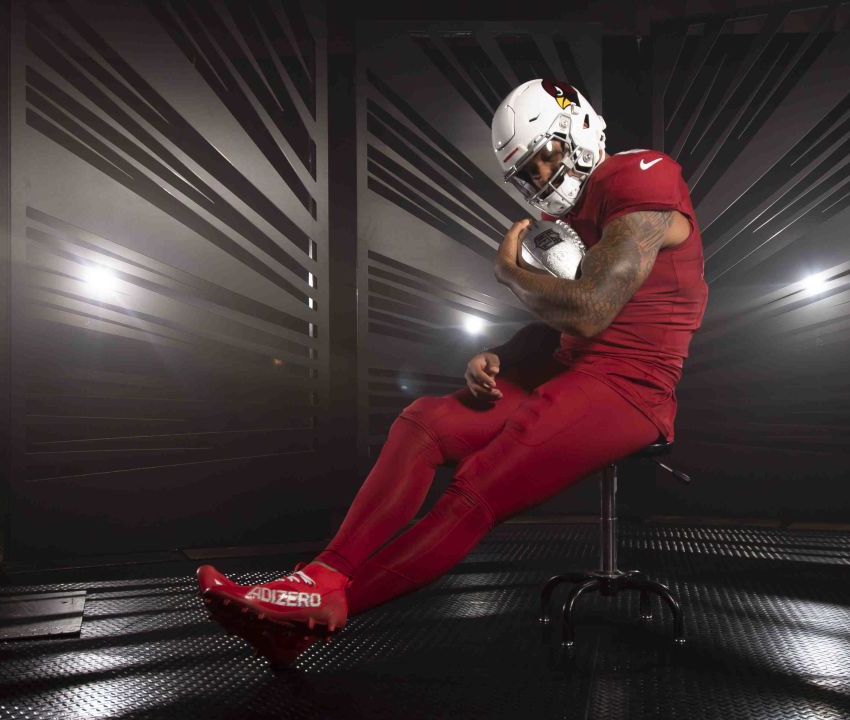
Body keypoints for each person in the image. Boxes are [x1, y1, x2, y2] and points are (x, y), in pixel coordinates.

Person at [196, 78, 709, 668]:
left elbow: (592, 312)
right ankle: (317, 577)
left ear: (580, 127)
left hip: (631, 385)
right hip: (568, 367)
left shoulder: (640, 177)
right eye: (530, 171)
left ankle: (315, 618)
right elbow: (568, 330)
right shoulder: (566, 212)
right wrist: (505, 356)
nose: (543, 175)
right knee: (425, 422)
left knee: (478, 482)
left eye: (548, 154)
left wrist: (510, 273)